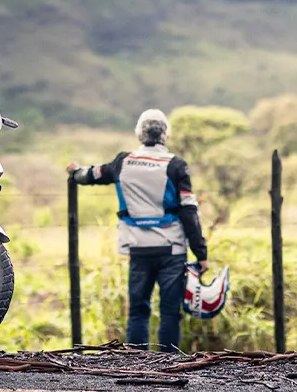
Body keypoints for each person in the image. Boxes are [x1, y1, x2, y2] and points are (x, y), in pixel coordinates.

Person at [66, 109, 208, 352]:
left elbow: (92, 174)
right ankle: (169, 362)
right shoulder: (176, 165)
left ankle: (135, 363)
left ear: (139, 134)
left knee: (138, 311)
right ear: (165, 135)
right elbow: (189, 211)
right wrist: (201, 253)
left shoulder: (123, 162)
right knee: (170, 312)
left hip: (137, 247)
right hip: (172, 249)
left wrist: (74, 172)